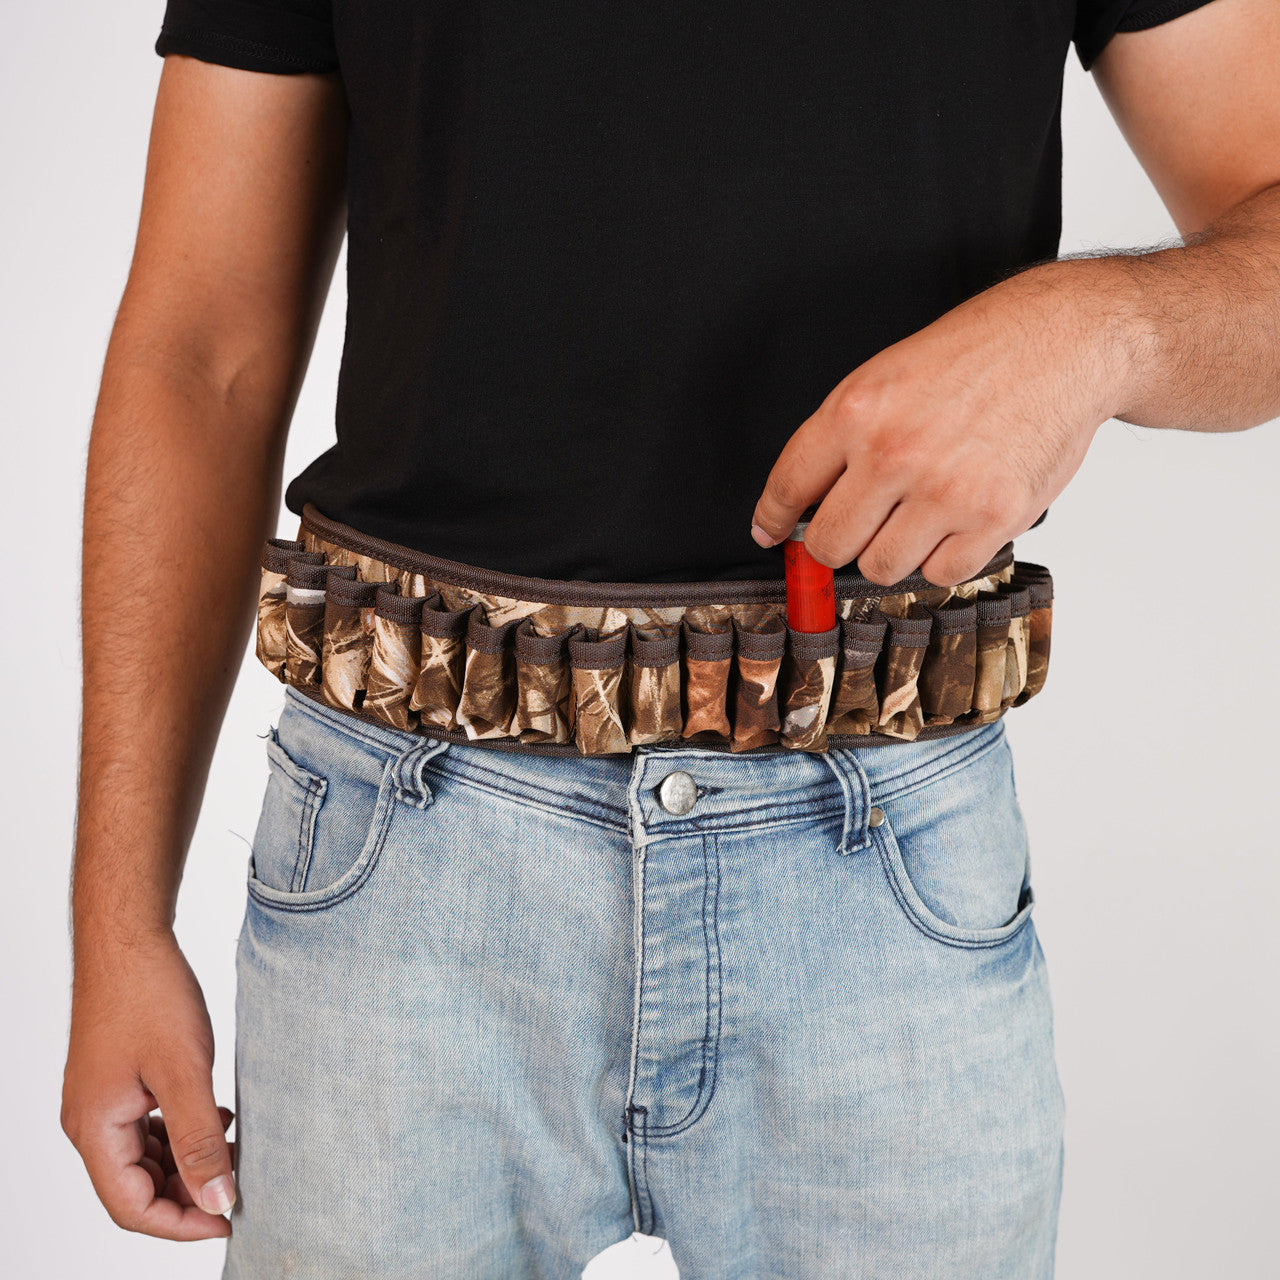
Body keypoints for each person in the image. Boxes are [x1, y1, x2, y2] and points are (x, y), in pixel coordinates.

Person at [60, 0, 1280, 1276]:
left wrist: (1093, 330)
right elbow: (200, 353)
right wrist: (118, 921)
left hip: (880, 859)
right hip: (406, 868)